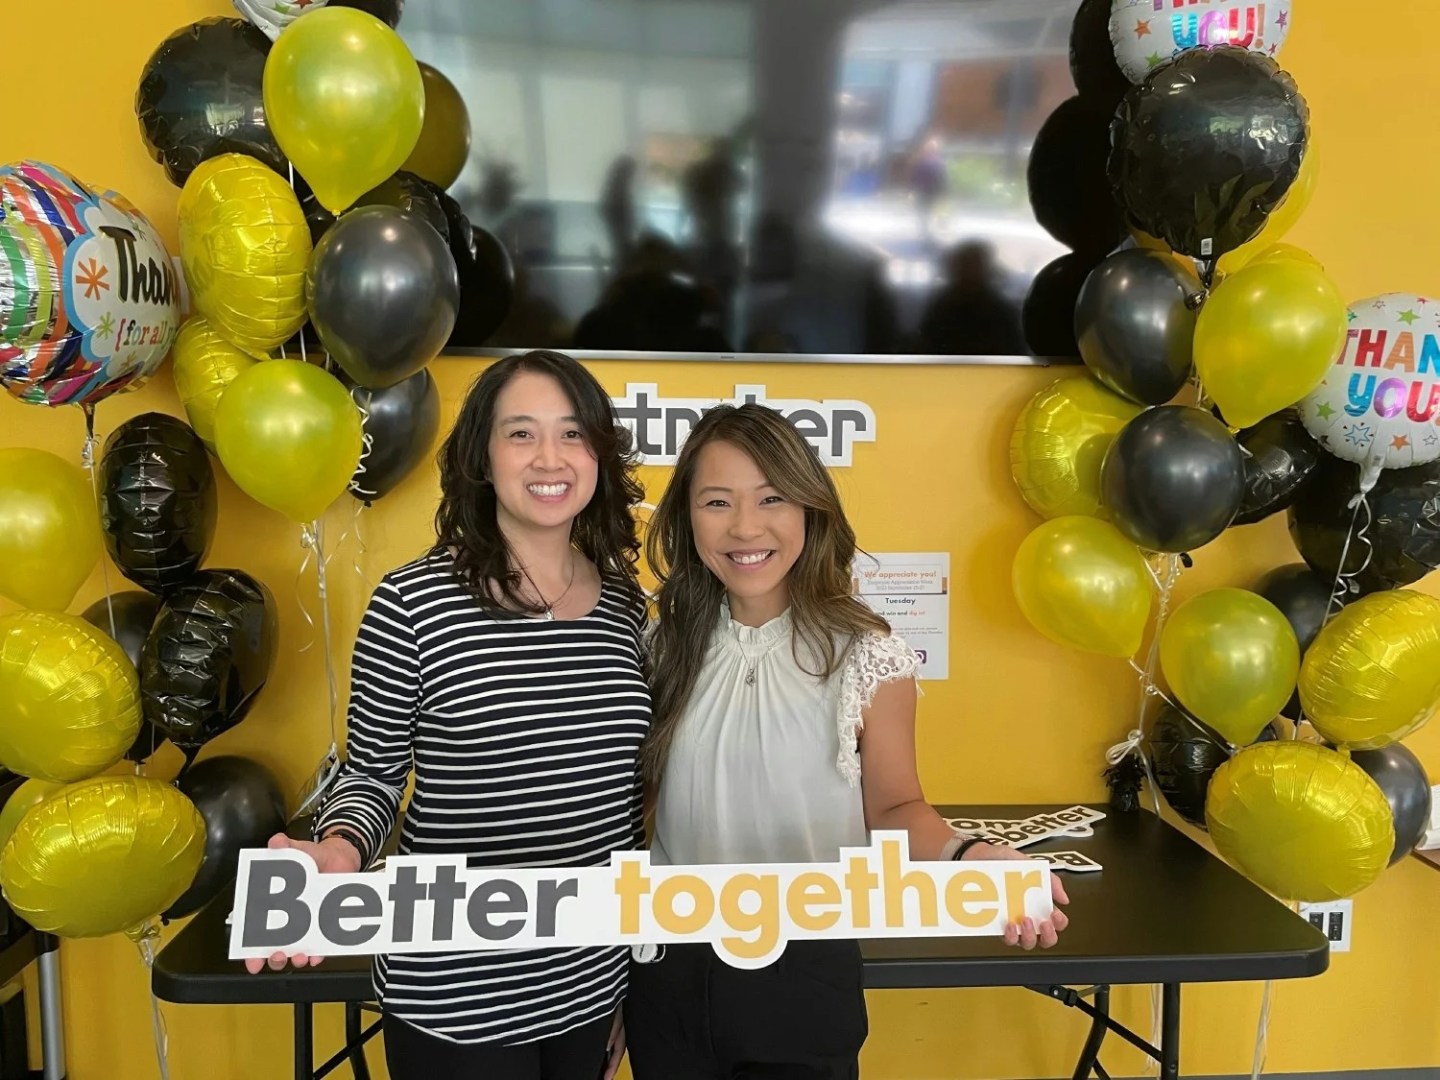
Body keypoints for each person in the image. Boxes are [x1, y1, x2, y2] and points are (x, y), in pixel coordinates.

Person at [627, 403, 1070, 1079]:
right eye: (717, 502)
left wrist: (972, 854)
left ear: (810, 507)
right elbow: (637, 809)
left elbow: (895, 809)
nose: (745, 527)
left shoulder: (868, 653)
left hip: (804, 973)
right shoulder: (659, 644)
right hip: (668, 974)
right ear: (688, 519)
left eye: (771, 498)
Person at [244, 350, 651, 1080]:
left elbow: (625, 804)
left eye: (572, 433)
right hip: (455, 998)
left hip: (588, 986)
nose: (549, 457)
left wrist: (629, 981)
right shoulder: (413, 605)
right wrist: (339, 850)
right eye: (521, 434)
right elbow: (371, 775)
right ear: (482, 458)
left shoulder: (626, 607)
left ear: (598, 453)